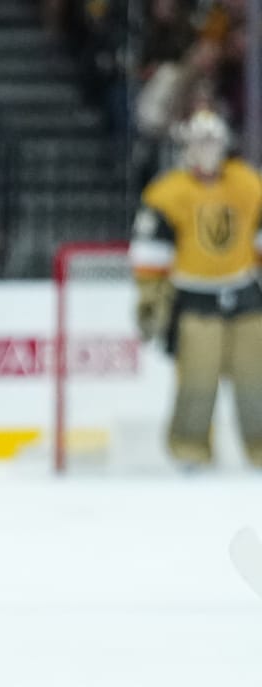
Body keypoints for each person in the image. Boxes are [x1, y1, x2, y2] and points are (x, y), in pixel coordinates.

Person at [130, 109, 262, 468]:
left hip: (245, 293)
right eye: (200, 142)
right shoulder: (168, 193)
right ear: (186, 147)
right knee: (197, 382)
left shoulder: (248, 184)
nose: (208, 149)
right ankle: (190, 451)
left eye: (213, 141)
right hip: (193, 297)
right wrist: (149, 300)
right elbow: (151, 253)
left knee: (256, 379)